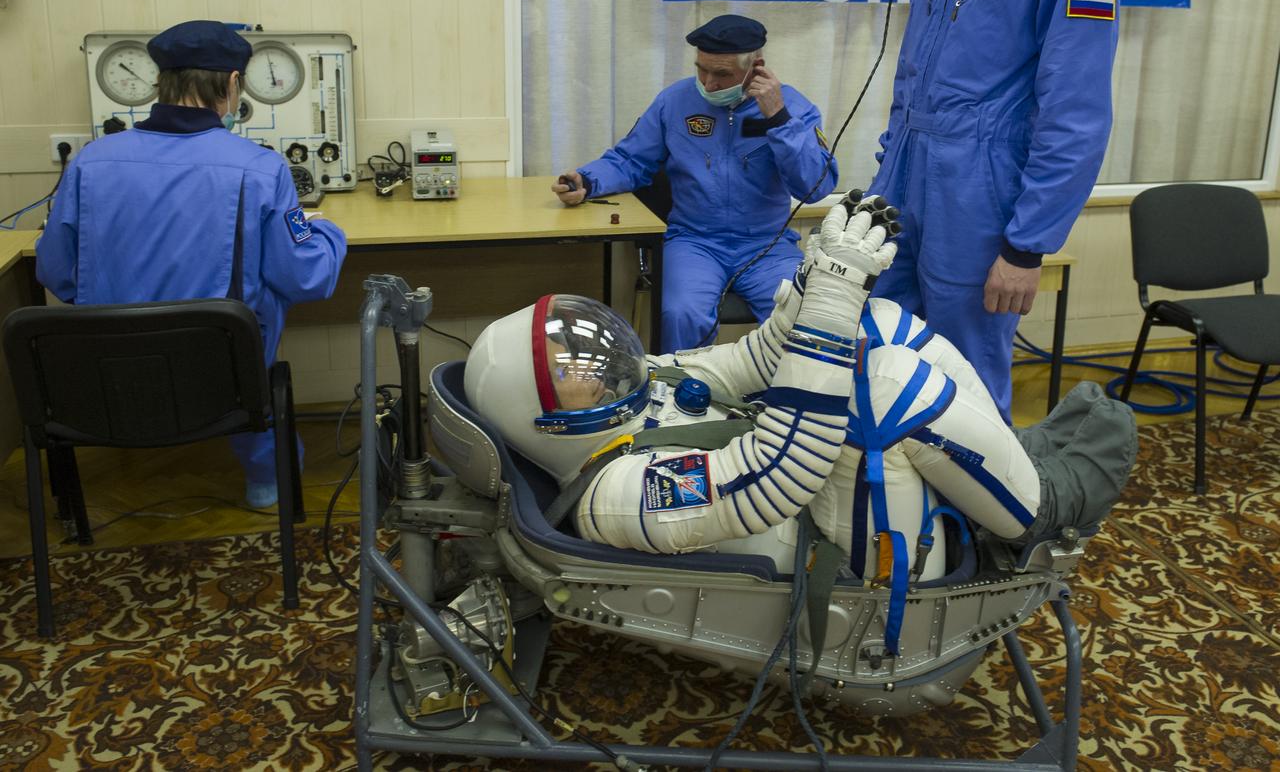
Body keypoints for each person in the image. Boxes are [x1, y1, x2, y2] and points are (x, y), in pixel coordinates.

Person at [462, 194, 1136, 646]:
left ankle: (1006, 463)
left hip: (831, 505)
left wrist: (817, 281)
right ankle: (1038, 505)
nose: (596, 369)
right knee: (879, 387)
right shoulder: (613, 498)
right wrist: (832, 297)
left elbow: (748, 361)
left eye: (582, 350)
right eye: (571, 374)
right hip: (848, 566)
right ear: (541, 422)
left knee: (877, 324)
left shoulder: (630, 397)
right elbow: (773, 473)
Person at [867, 0, 1125, 422]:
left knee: (965, 388)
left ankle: (982, 530)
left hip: (980, 201)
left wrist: (1026, 244)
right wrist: (884, 177)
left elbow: (1075, 106)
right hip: (906, 184)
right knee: (884, 357)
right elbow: (914, 69)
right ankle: (899, 518)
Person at [36, 20, 348, 508]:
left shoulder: (90, 163)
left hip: (108, 384)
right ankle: (267, 482)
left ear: (160, 82)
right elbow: (305, 276)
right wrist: (327, 232)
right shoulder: (260, 168)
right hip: (222, 386)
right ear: (230, 85)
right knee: (251, 314)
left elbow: (55, 271)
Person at [552, 13, 838, 353]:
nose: (709, 83)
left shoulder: (792, 108)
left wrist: (778, 120)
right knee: (680, 313)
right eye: (701, 69)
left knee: (804, 317)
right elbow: (631, 160)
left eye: (722, 73)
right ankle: (685, 398)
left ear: (756, 67)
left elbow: (814, 188)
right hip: (695, 241)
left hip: (767, 245)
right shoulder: (675, 102)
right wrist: (587, 180)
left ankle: (783, 401)